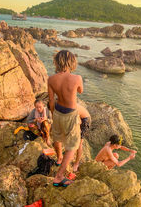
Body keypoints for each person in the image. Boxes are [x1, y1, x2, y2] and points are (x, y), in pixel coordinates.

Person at [48, 50, 83, 187]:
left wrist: (53, 116)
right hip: (70, 114)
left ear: (57, 61)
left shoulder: (51, 79)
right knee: (73, 146)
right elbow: (80, 91)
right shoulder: (77, 78)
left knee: (58, 138)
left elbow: (51, 101)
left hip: (57, 112)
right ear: (71, 62)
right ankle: (59, 176)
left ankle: (59, 158)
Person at [73, 104, 91, 172]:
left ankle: (76, 163)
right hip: (80, 118)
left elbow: (79, 121)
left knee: (79, 143)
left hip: (85, 120)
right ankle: (72, 155)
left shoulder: (72, 107)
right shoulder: (65, 106)